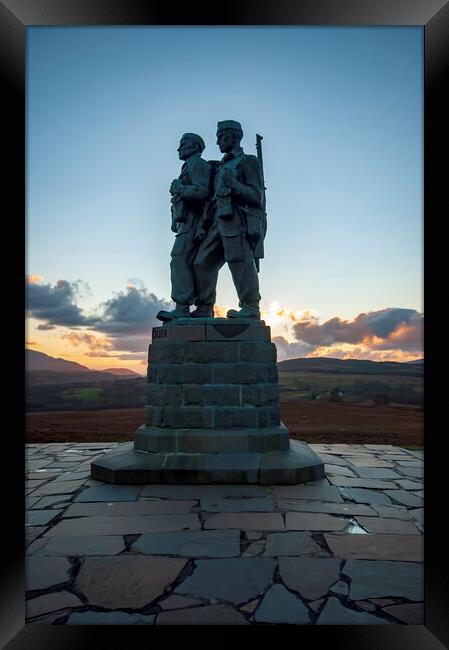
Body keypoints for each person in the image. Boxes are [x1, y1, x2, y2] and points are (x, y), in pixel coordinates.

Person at [191, 120, 265, 319]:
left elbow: (256, 197)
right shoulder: (221, 166)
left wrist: (234, 184)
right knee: (202, 262)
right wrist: (204, 224)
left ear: (234, 136)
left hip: (236, 220)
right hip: (216, 221)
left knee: (239, 261)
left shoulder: (248, 162)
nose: (217, 142)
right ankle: (204, 308)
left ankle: (251, 307)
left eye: (221, 137)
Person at [156, 133, 211, 322]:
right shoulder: (190, 165)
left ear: (195, 147)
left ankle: (182, 307)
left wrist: (179, 189)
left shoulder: (197, 164)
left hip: (193, 221)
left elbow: (202, 191)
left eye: (183, 144)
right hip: (187, 221)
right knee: (189, 262)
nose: (178, 148)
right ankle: (201, 307)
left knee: (179, 258)